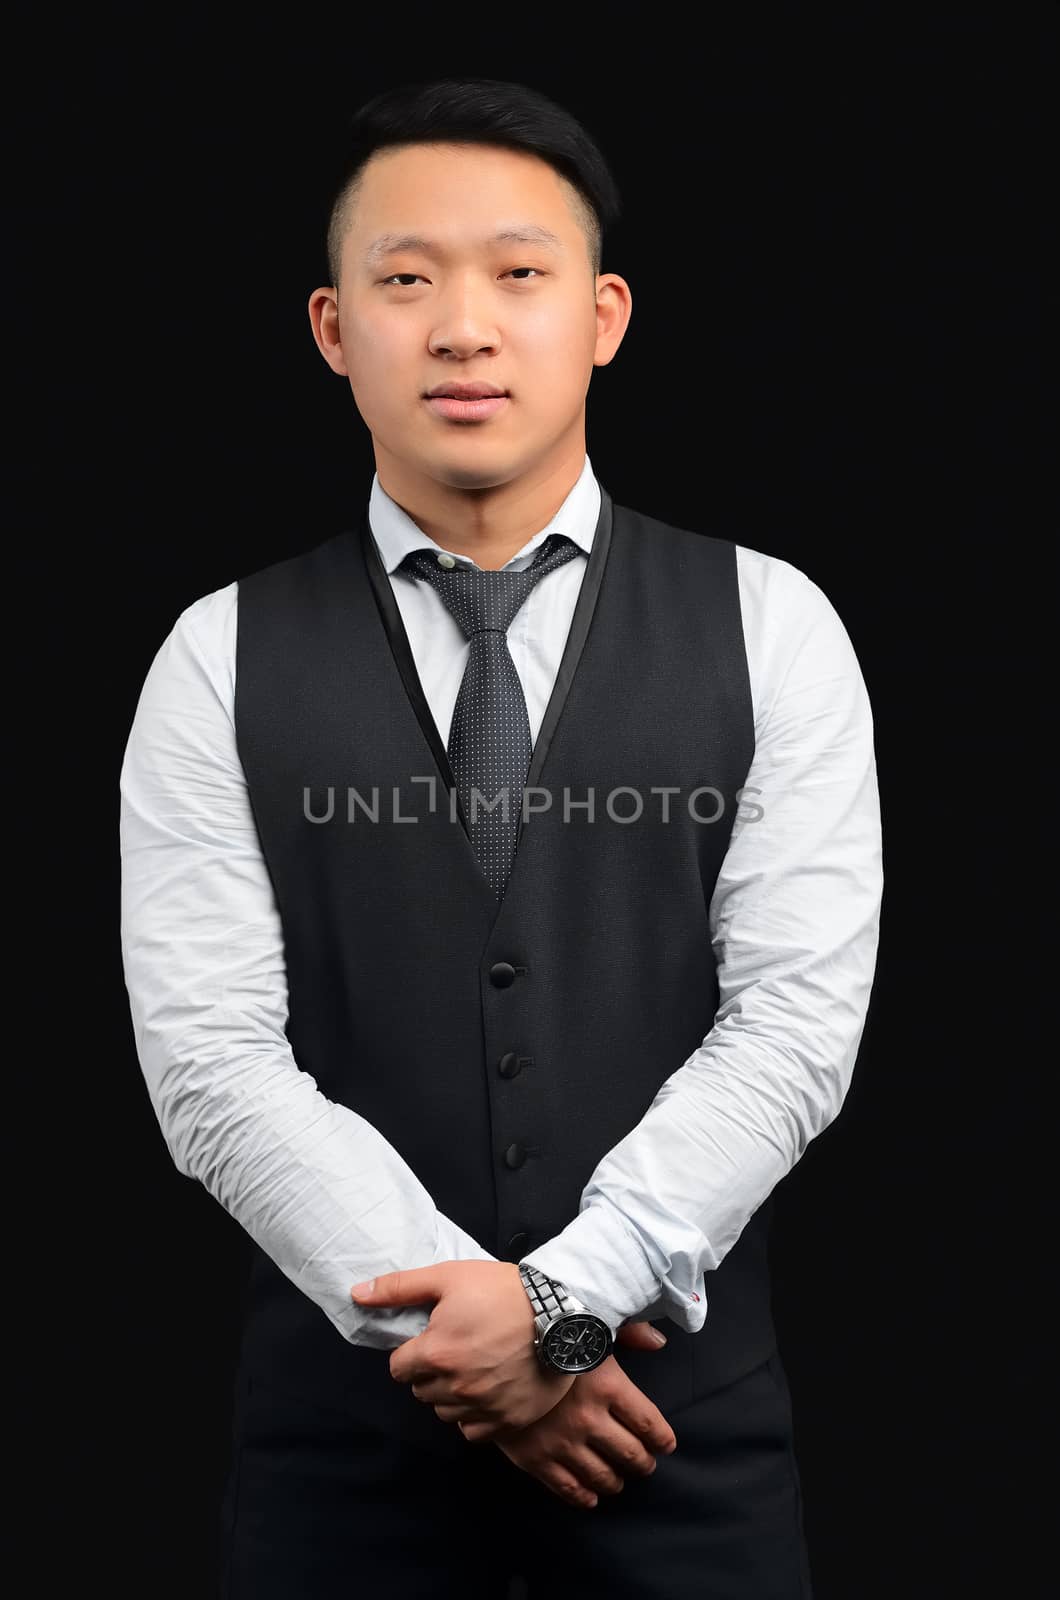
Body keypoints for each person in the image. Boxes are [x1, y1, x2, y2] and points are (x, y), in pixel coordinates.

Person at [119, 74, 882, 1599]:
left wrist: (561, 1310)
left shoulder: (773, 624)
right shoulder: (217, 653)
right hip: (342, 1480)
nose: (462, 326)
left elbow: (794, 1026)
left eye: (517, 276)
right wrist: (465, 1341)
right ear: (337, 331)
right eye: (406, 280)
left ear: (600, 316)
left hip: (680, 1452)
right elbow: (210, 1062)